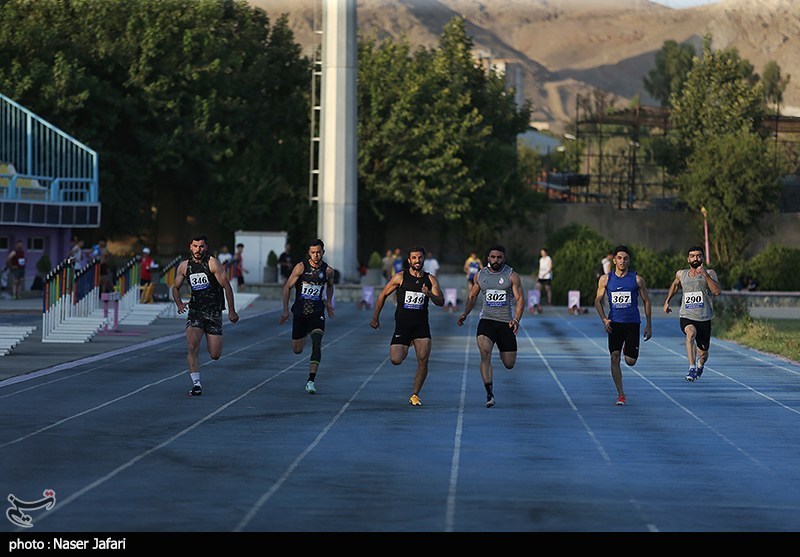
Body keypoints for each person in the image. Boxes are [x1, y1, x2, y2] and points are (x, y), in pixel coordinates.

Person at [370, 246, 444, 406]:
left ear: (424, 259)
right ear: (409, 260)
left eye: (420, 257)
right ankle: (408, 342)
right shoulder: (400, 278)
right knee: (396, 359)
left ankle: (415, 394)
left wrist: (429, 294)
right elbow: (383, 295)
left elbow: (441, 302)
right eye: (414, 258)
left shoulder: (430, 280)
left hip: (421, 327)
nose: (417, 260)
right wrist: (375, 317)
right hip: (403, 326)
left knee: (423, 360)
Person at [457, 245, 525, 408]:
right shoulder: (480, 275)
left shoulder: (511, 276)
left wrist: (516, 320)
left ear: (504, 258)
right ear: (488, 258)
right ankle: (489, 393)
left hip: (505, 323)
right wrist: (465, 314)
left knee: (509, 363)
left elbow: (520, 300)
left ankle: (503, 350)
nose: (496, 260)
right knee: (485, 353)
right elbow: (472, 296)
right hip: (486, 321)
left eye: (499, 257)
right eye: (493, 257)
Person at [171, 234, 238, 396]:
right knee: (192, 345)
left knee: (215, 355)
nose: (198, 250)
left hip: (213, 312)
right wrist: (179, 303)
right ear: (190, 247)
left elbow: (227, 287)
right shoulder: (184, 267)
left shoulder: (212, 263)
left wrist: (231, 310)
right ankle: (196, 384)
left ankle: (210, 348)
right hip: (196, 311)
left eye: (201, 246)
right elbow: (175, 288)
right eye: (195, 246)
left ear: (206, 248)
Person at [593, 245, 652, 406]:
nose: (622, 261)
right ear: (614, 260)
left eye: (625, 258)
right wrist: (604, 319)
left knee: (631, 361)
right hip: (615, 324)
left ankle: (628, 348)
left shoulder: (636, 279)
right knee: (614, 357)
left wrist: (649, 325)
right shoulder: (606, 279)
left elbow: (647, 301)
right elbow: (597, 300)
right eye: (619, 258)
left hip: (632, 323)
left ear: (628, 261)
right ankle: (621, 394)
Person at [280, 239, 335, 394]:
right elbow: (287, 287)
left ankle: (311, 380)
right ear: (309, 253)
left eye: (318, 252)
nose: (316, 255)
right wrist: (285, 310)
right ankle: (303, 332)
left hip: (317, 312)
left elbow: (330, 286)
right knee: (297, 349)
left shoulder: (329, 271)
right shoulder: (301, 267)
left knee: (317, 342)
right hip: (300, 312)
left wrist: (329, 302)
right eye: (312, 252)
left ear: (323, 252)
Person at [662, 246, 721, 382]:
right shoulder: (681, 274)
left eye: (699, 256)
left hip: (704, 317)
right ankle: (691, 367)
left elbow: (717, 291)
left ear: (703, 258)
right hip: (687, 315)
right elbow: (675, 285)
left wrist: (705, 275)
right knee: (690, 333)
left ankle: (700, 364)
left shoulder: (710, 273)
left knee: (703, 353)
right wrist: (667, 301)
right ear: (688, 259)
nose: (696, 258)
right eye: (693, 256)